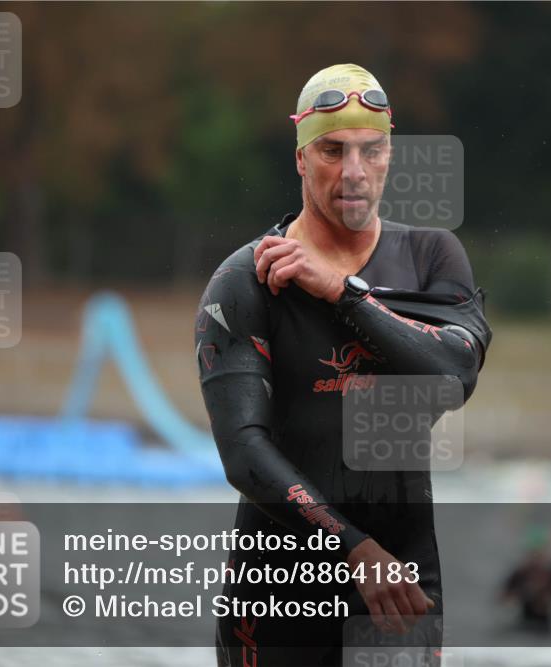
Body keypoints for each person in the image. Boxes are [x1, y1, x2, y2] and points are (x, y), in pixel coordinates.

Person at [195, 63, 492, 667]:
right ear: (301, 158)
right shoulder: (246, 281)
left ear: (389, 155)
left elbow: (454, 375)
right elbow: (244, 454)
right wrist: (354, 550)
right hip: (278, 594)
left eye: (370, 150)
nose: (353, 172)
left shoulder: (430, 257)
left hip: (401, 583)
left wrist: (343, 292)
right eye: (332, 150)